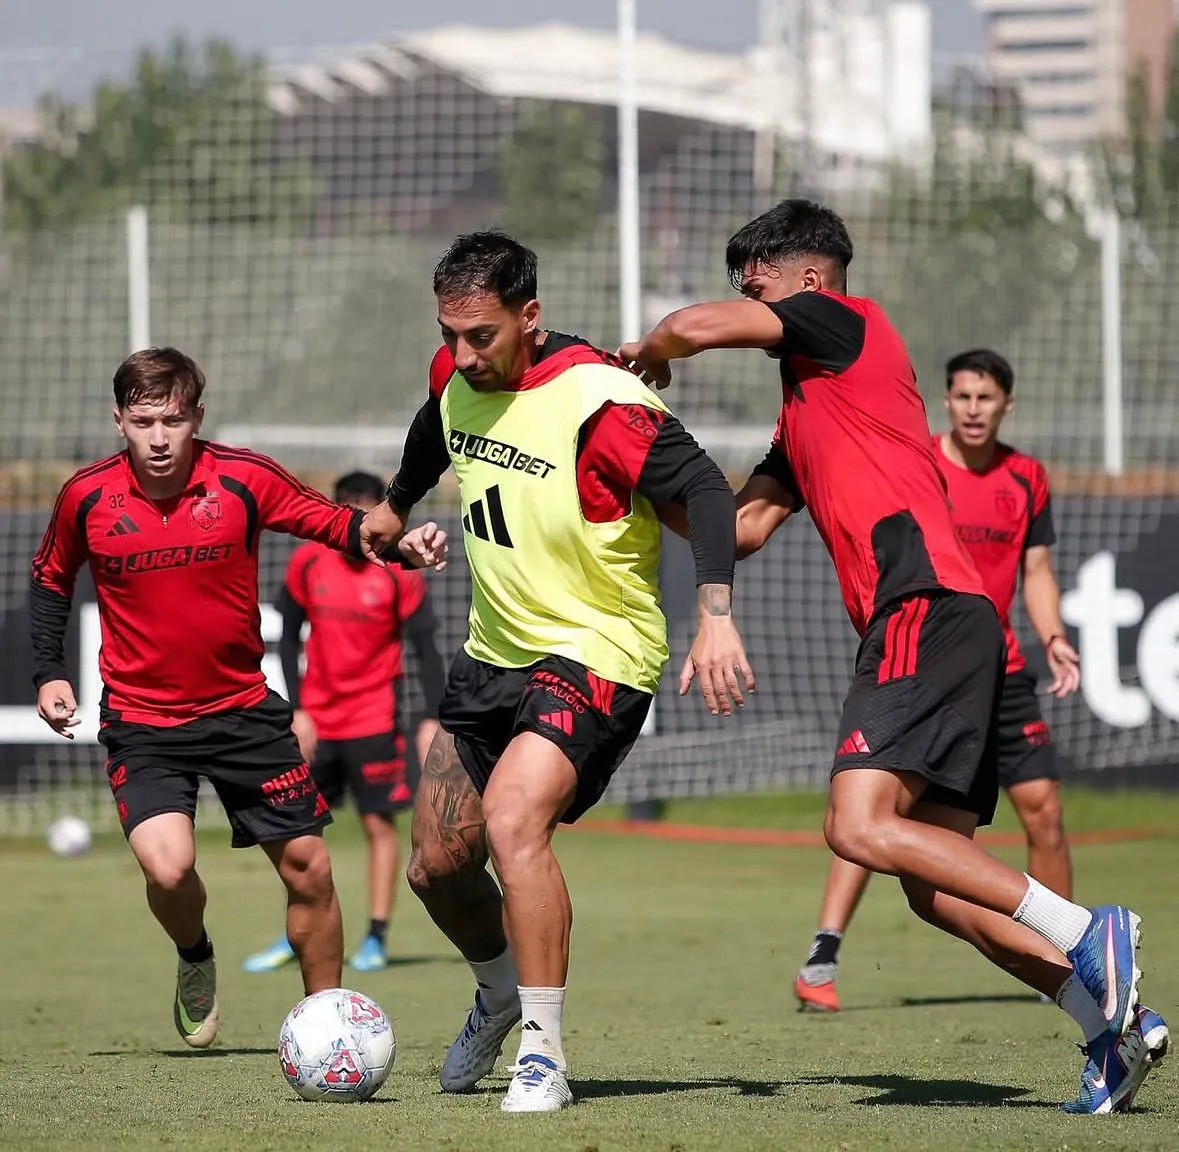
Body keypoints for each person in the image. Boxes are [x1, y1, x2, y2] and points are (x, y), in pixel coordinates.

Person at [619, 199, 1168, 1115]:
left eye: (750, 281)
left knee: (854, 826)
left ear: (803, 280)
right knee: (927, 887)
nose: (740, 297)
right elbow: (741, 525)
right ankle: (1108, 1023)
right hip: (940, 621)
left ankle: (1085, 929)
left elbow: (686, 328)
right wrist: (633, 468)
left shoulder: (847, 321)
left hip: (921, 606)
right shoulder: (808, 409)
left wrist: (641, 356)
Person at [359, 231, 752, 1112]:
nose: (462, 355)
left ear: (528, 317)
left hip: (598, 649)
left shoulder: (600, 405)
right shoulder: (457, 372)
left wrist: (715, 616)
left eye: (481, 336)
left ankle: (543, 1051)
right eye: (449, 334)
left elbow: (710, 494)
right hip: (493, 653)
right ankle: (498, 994)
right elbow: (437, 425)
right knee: (434, 867)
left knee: (510, 822)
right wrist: (395, 503)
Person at [29, 347, 430, 1050]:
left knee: (310, 867)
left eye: (174, 420)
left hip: (244, 710)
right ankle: (194, 955)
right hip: (144, 722)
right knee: (170, 866)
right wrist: (46, 671)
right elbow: (50, 580)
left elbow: (338, 525)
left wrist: (400, 548)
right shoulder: (86, 496)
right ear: (118, 419)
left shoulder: (242, 478)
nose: (159, 437)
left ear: (197, 417)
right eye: (144, 420)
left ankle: (328, 1027)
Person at [794, 348, 1083, 1013]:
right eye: (962, 397)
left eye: (986, 398)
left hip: (999, 671)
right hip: (926, 655)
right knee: (872, 811)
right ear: (945, 402)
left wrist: (1055, 636)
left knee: (1038, 810)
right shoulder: (916, 463)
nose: (973, 409)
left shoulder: (1025, 478)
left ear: (1006, 404)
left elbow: (1035, 570)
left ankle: (1072, 953)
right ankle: (825, 947)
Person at [242, 470, 446, 974]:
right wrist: (296, 710)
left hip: (374, 720)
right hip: (316, 721)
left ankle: (376, 935)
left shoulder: (400, 573)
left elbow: (425, 649)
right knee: (298, 831)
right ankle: (299, 933)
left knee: (378, 824)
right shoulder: (309, 561)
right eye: (353, 514)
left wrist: (431, 719)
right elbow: (286, 636)